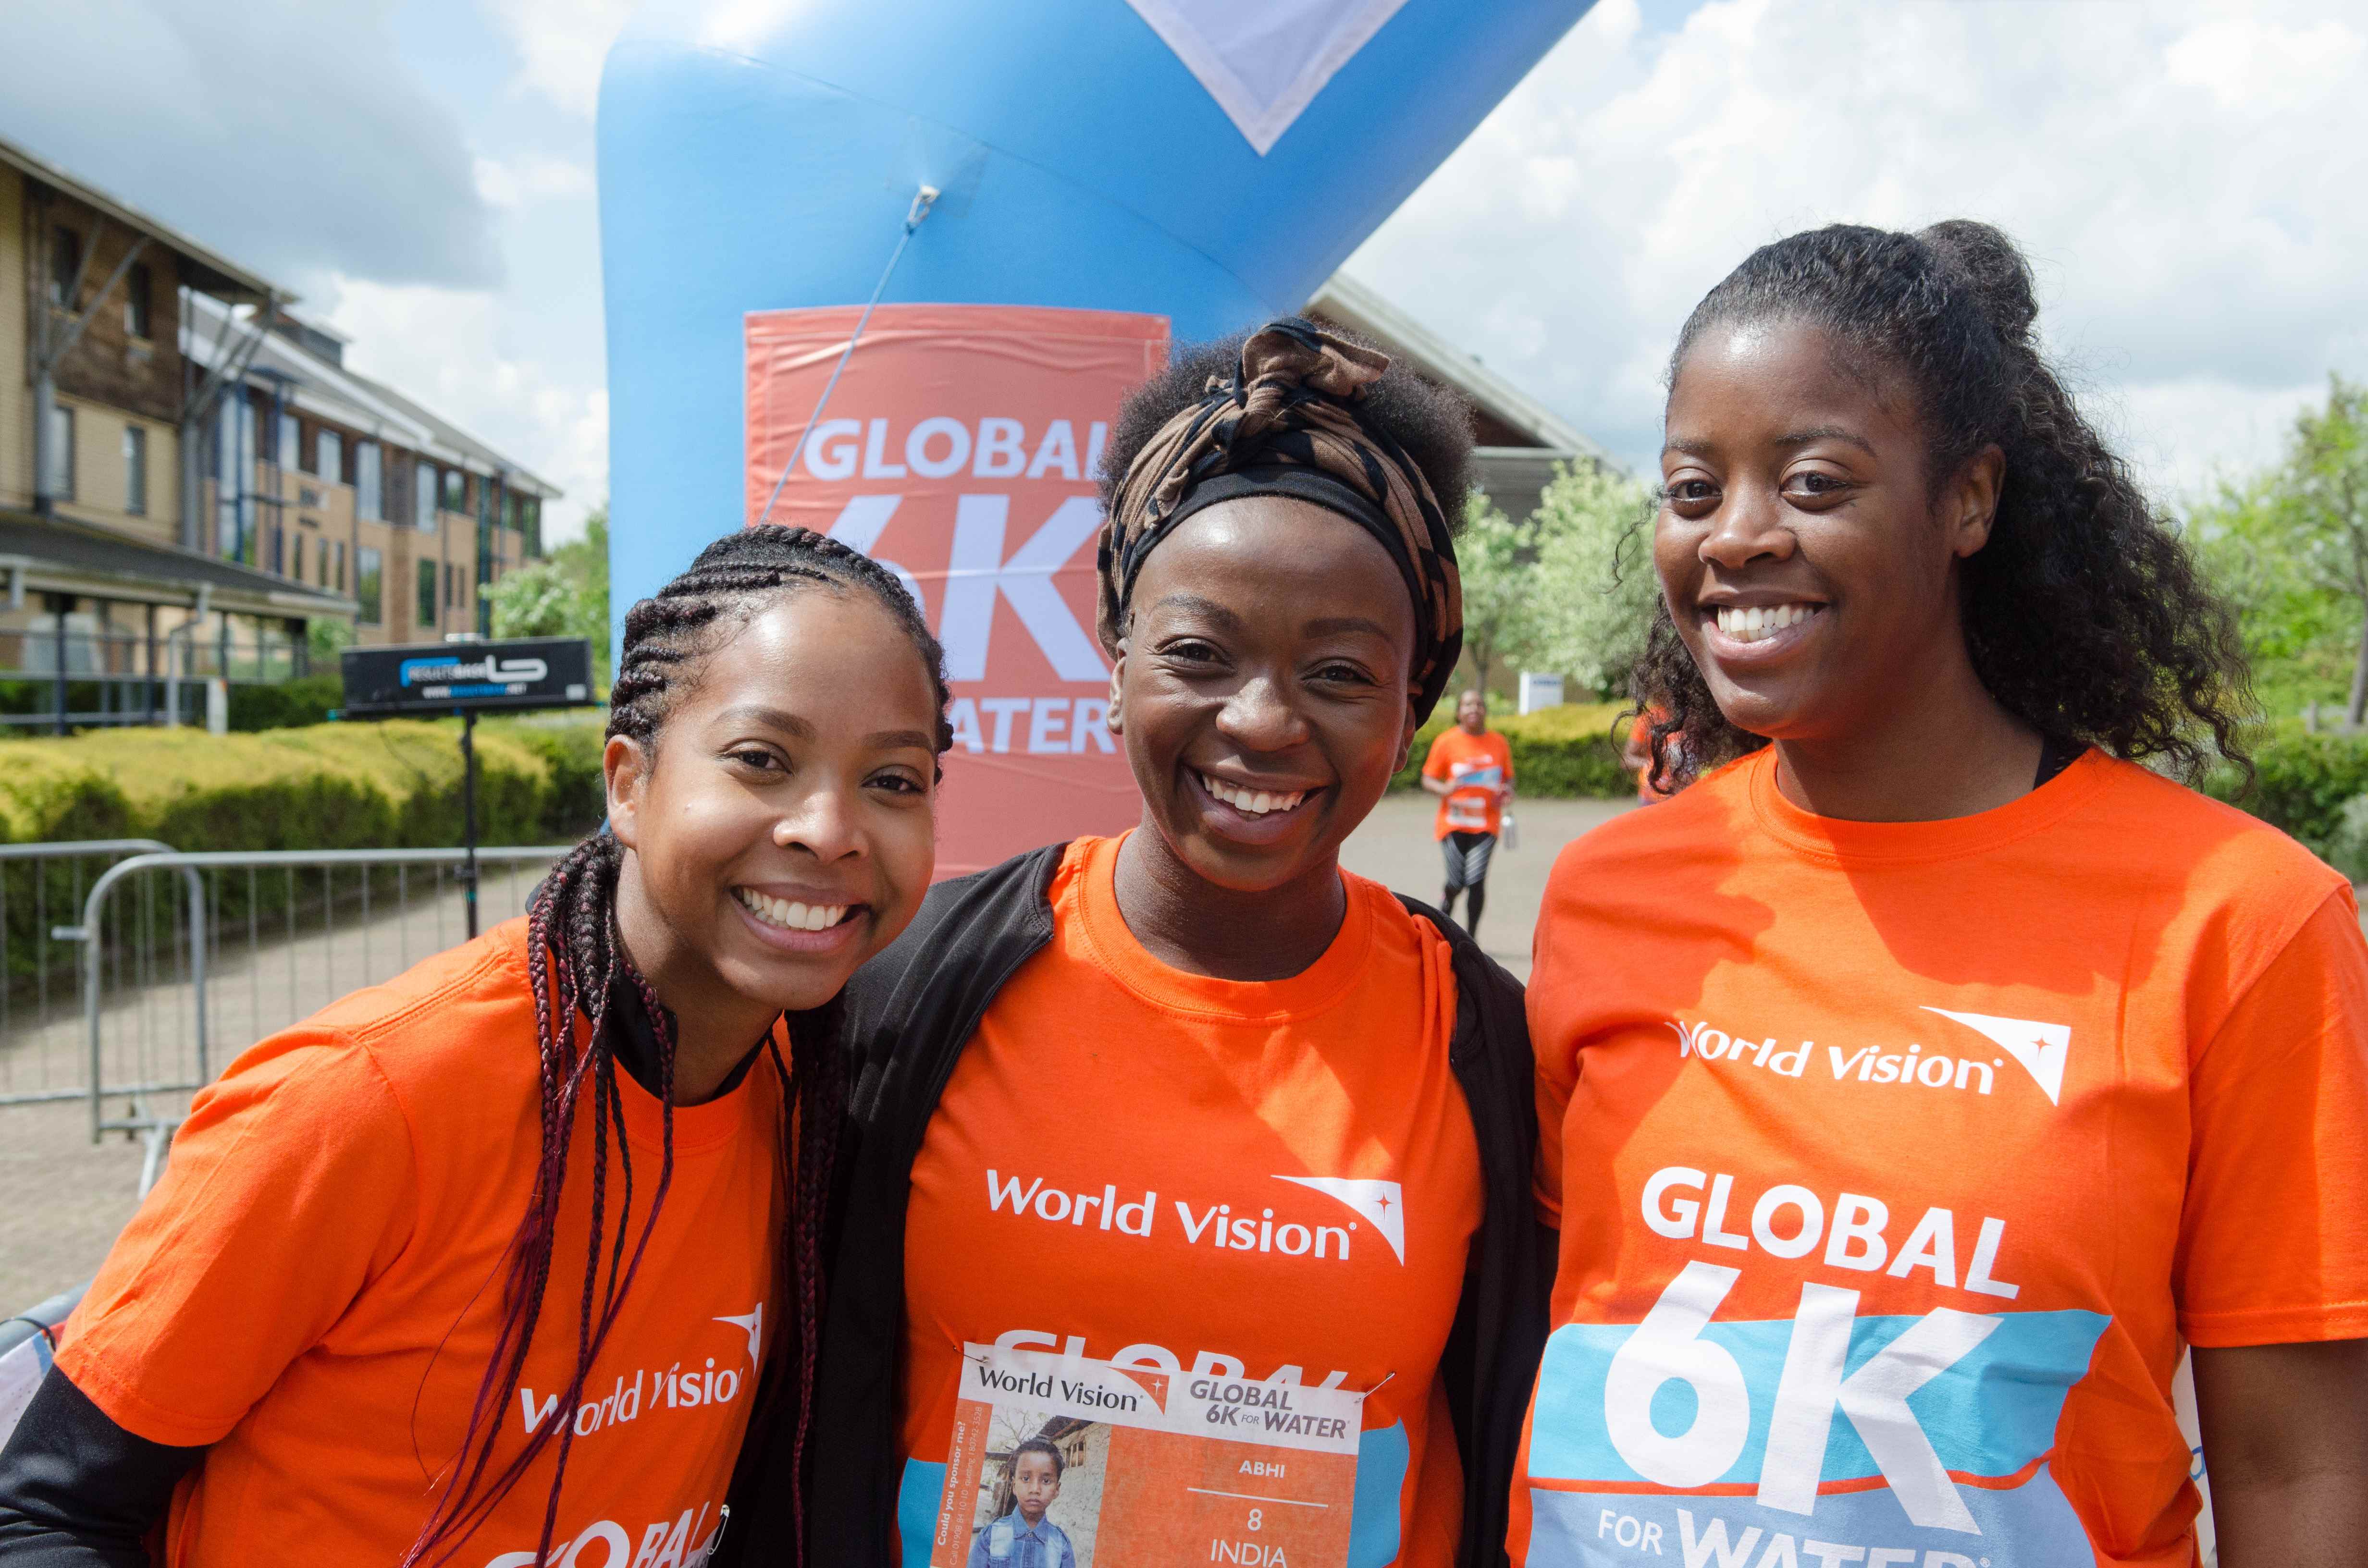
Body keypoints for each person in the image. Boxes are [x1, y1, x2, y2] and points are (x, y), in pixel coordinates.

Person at [1514, 222, 2368, 1567]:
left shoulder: (2241, 919)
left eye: (1811, 480)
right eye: (1693, 488)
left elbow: (2296, 1460)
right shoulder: (1605, 892)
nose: (1738, 537)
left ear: (1969, 499)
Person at [728, 320, 1549, 1568]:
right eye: (1198, 655)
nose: (1261, 722)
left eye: (1337, 672)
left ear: (1412, 701)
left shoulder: (1485, 1046)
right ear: (1113, 654)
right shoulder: (908, 993)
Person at [0, 528, 953, 1568]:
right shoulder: (364, 1099)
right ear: (628, 785)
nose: (830, 828)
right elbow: (42, 1517)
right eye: (761, 760)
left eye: (895, 781)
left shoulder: (809, 1108)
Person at [1420, 689, 1514, 935]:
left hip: (1486, 824)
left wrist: (1506, 791)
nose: (1474, 709)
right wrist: (1445, 788)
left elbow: (1509, 779)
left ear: (1485, 711)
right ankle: (1442, 927)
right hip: (1453, 823)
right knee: (1456, 882)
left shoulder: (1499, 743)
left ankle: (1471, 938)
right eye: (1468, 705)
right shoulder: (1446, 741)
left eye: (1479, 704)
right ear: (1459, 712)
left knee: (1475, 880)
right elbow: (1428, 779)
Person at [967, 1439, 1073, 1568]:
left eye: (1046, 1481)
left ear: (1057, 1489)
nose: (1035, 1489)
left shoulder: (1062, 1545)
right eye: (1026, 1479)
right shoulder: (990, 1536)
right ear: (1014, 1486)